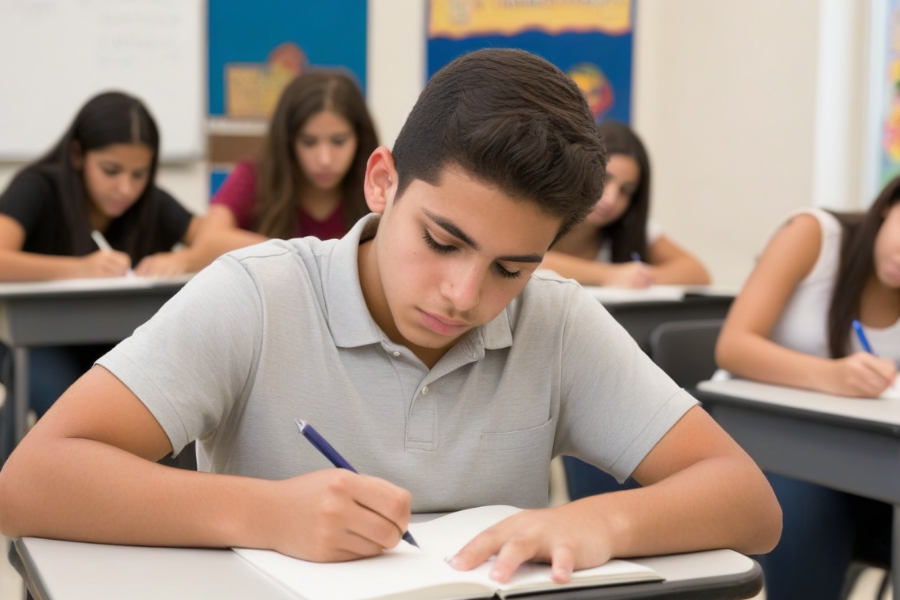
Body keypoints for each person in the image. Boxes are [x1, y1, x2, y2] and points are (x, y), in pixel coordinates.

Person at [0, 50, 780, 583]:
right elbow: (30, 482)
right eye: (442, 240)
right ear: (383, 183)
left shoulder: (557, 321)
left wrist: (598, 526)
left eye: (513, 267)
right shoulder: (256, 295)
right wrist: (267, 512)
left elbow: (748, 503)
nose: (464, 296)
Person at [716, 179, 900, 599]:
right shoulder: (812, 234)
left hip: (867, 459)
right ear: (890, 203)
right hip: (771, 447)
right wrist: (831, 375)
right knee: (805, 506)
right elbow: (733, 346)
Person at [0, 91, 209, 443]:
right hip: (34, 340)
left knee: (154, 410)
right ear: (79, 154)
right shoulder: (37, 187)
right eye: (111, 171)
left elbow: (217, 235)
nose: (125, 187)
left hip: (115, 343)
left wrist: (184, 259)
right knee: (65, 412)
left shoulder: (149, 203)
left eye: (139, 174)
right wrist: (78, 268)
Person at [201, 69, 378, 257]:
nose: (325, 159)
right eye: (309, 142)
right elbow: (209, 240)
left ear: (360, 138)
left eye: (338, 141)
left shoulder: (380, 183)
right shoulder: (257, 176)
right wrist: (298, 257)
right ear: (287, 140)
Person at [541, 120, 710, 288]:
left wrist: (638, 277)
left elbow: (697, 272)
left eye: (626, 190)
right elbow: (532, 262)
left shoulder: (631, 226)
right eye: (604, 179)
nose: (611, 199)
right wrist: (610, 275)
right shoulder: (542, 210)